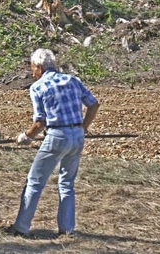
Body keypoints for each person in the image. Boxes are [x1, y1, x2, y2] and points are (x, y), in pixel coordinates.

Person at [8, 48, 99, 237]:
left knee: (34, 182)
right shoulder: (73, 80)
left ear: (40, 68)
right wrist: (83, 127)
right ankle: (67, 229)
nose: (32, 72)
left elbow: (40, 122)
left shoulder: (38, 87)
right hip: (76, 136)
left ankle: (21, 228)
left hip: (57, 136)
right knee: (66, 183)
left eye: (33, 68)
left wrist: (26, 136)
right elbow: (93, 104)